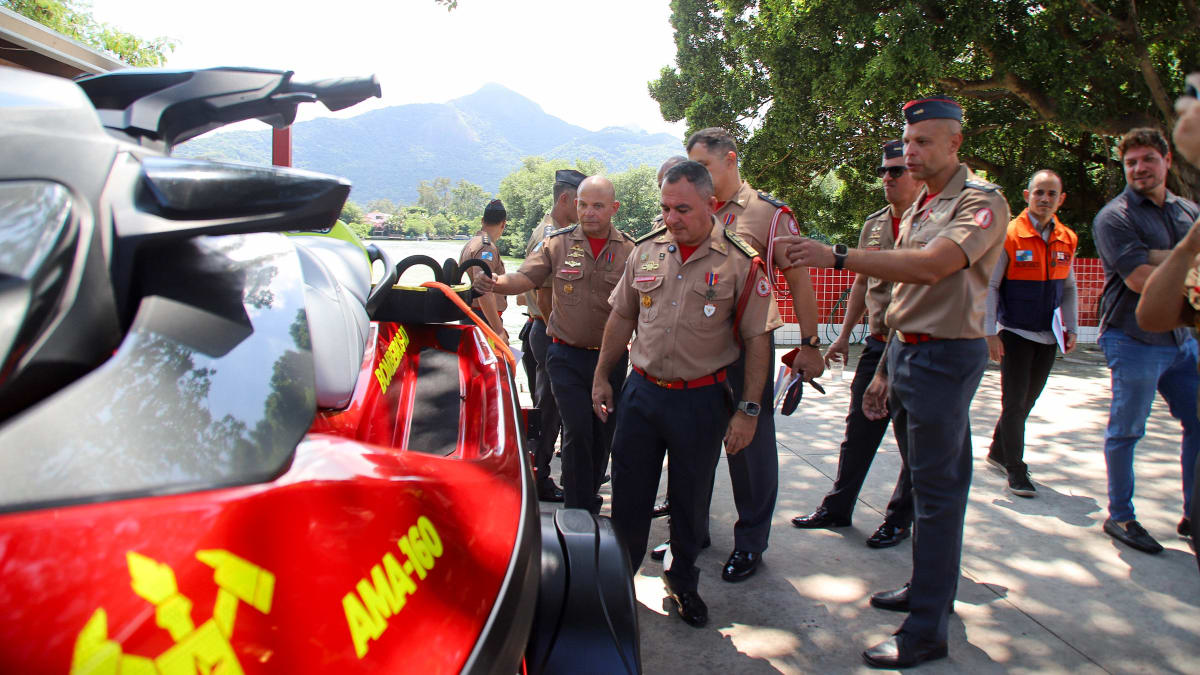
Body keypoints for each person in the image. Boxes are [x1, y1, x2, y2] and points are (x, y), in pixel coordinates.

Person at [786, 96, 1009, 668]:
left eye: (923, 142)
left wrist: (836, 256)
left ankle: (926, 629)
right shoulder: (921, 205)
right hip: (908, 354)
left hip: (944, 359)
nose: (909, 153)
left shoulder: (980, 203)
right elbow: (902, 300)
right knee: (927, 488)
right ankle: (929, 592)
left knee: (936, 495)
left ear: (956, 143)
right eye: (906, 143)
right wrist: (883, 366)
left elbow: (933, 267)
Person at [591, 160, 781, 627]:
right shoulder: (647, 250)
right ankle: (620, 582)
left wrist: (749, 410)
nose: (671, 219)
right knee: (629, 498)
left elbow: (758, 340)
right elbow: (621, 317)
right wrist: (601, 375)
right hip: (641, 395)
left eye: (682, 209)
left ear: (711, 206)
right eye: (665, 208)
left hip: (701, 401)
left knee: (691, 502)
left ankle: (682, 581)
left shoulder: (740, 262)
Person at [684, 127, 824, 582]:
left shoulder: (768, 214)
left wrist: (810, 343)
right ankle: (692, 531)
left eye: (703, 166)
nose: (696, 176)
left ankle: (750, 543)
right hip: (696, 350)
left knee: (750, 451)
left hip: (748, 351)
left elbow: (799, 282)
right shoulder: (694, 210)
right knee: (694, 447)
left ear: (730, 159)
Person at [475, 176, 634, 514]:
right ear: (574, 204)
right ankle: (576, 510)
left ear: (614, 208)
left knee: (602, 432)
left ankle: (588, 495)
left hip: (611, 359)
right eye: (583, 204)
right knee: (576, 429)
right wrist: (496, 282)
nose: (588, 212)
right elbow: (526, 278)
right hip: (565, 355)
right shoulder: (557, 244)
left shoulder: (630, 250)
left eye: (597, 206)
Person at [790, 140, 917, 549]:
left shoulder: (930, 225)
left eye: (896, 171)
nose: (887, 178)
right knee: (859, 429)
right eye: (884, 171)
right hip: (879, 342)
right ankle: (839, 507)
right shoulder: (876, 224)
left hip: (914, 345)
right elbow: (861, 281)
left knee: (912, 440)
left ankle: (899, 519)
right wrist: (844, 337)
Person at [1093, 127, 1200, 554]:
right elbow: (1139, 280)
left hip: (1183, 341)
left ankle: (1193, 514)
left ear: (1167, 160)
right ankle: (1120, 516)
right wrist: (1184, 264)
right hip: (1131, 337)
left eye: (1147, 160)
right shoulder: (1114, 217)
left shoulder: (1187, 212)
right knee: (1127, 430)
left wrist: (1165, 261)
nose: (1139, 169)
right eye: (1131, 162)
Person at [983, 170, 1079, 498]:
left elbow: (1068, 288)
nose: (1045, 199)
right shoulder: (1009, 234)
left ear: (1060, 199)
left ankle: (998, 450)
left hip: (1049, 336)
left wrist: (1072, 327)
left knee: (1028, 400)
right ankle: (1015, 468)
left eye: (1052, 194)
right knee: (1013, 402)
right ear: (1027, 195)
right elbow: (992, 286)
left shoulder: (1067, 237)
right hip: (1014, 333)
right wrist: (990, 332)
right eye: (1039, 192)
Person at [520, 168, 586, 502]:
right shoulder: (550, 234)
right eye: (580, 202)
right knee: (548, 413)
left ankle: (540, 473)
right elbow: (544, 295)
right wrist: (558, 331)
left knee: (552, 410)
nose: (584, 210)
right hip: (548, 331)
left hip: (543, 329)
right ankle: (538, 479)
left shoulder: (555, 230)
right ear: (565, 199)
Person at [459, 199, 509, 340]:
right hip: (482, 319)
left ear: (482, 220)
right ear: (503, 224)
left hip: (473, 316)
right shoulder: (486, 247)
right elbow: (484, 290)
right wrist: (498, 330)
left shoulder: (472, 243)